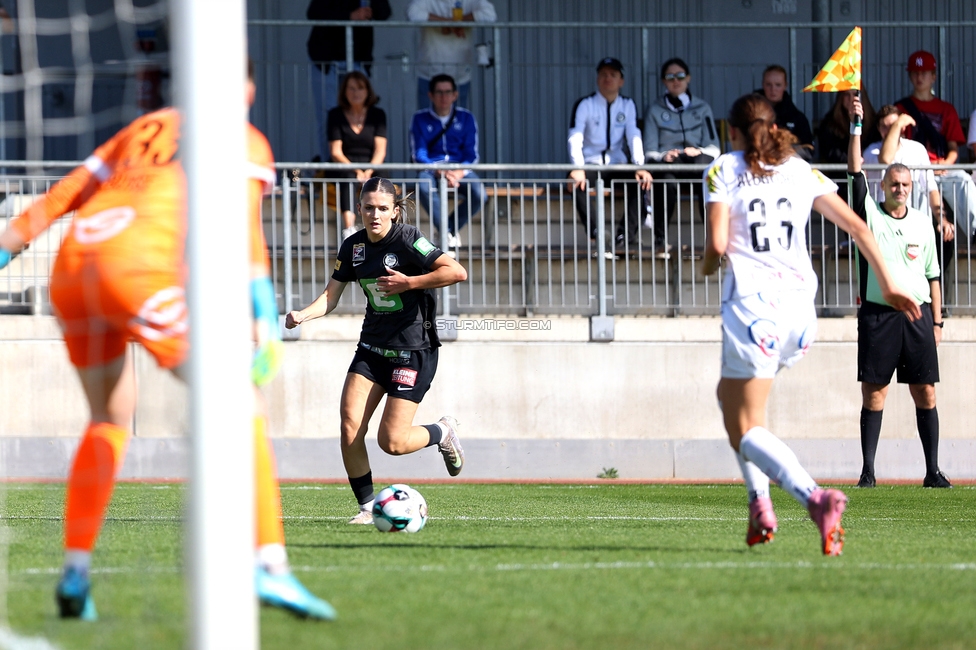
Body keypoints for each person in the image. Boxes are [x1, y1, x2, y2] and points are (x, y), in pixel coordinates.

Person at [0, 68, 335, 621]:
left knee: (108, 416)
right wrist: (265, 318)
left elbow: (65, 193)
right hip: (139, 272)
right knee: (241, 400)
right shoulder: (242, 137)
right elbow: (246, 236)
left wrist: (5, 250)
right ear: (247, 88)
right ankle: (272, 566)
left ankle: (75, 572)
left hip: (74, 270)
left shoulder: (147, 126)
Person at [701, 93, 921, 555]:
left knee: (744, 428)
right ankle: (759, 505)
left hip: (754, 311)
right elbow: (859, 228)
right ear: (773, 126)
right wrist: (890, 285)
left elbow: (718, 245)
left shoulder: (724, 168)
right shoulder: (800, 169)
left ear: (733, 132)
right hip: (801, 314)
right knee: (731, 399)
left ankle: (813, 498)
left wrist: (704, 266)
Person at [284, 177, 468, 525]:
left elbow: (456, 271)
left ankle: (442, 432)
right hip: (371, 349)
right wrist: (302, 315)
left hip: (413, 350)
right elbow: (331, 296)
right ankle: (367, 508)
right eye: (368, 207)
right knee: (350, 427)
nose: (375, 214)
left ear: (395, 211)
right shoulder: (352, 247)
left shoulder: (409, 239)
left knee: (393, 442)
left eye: (383, 208)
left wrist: (409, 282)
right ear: (359, 209)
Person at [847, 95, 952, 489]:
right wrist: (857, 125)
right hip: (878, 315)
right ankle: (868, 472)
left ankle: (933, 471)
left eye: (906, 184)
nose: (901, 189)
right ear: (884, 185)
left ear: (912, 187)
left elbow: (934, 275)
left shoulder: (923, 222)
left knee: (926, 392)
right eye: (895, 183)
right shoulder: (870, 214)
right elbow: (854, 169)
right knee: (875, 393)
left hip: (918, 317)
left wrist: (937, 322)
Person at [568, 57, 653, 250]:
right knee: (575, 181)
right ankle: (596, 234)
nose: (608, 78)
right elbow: (575, 137)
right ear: (597, 79)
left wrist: (639, 166)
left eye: (613, 75)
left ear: (621, 81)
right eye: (603, 74)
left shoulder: (627, 105)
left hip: (617, 163)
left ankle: (624, 237)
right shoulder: (585, 104)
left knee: (641, 181)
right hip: (591, 164)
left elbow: (634, 135)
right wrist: (577, 167)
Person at [643, 57, 719, 258]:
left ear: (688, 78)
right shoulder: (655, 110)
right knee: (665, 181)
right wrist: (664, 155)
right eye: (670, 77)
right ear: (663, 81)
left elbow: (714, 148)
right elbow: (649, 151)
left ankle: (713, 240)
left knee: (708, 177)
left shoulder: (702, 108)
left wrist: (699, 151)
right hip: (670, 163)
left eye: (680, 76)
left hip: (696, 162)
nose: (675, 81)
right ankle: (660, 241)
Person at [896, 50, 976, 242]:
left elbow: (953, 149)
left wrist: (944, 165)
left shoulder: (946, 109)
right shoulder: (901, 108)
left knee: (963, 179)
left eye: (924, 72)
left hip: (942, 169)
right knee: (914, 189)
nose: (919, 77)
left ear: (933, 76)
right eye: (915, 72)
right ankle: (916, 241)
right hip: (914, 169)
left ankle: (975, 232)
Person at [865, 105, 954, 272]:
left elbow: (931, 188)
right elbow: (886, 158)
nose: (889, 130)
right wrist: (898, 124)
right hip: (884, 227)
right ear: (878, 128)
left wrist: (941, 219)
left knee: (941, 250)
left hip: (912, 225)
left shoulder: (917, 149)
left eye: (894, 125)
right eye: (885, 126)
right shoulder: (872, 151)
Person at [306, 0, 391, 162]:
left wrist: (368, 11)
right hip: (326, 59)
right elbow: (313, 13)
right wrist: (349, 16)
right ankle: (330, 167)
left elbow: (384, 13)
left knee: (363, 112)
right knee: (328, 116)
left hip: (359, 57)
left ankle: (365, 166)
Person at [409, 73, 484, 248]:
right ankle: (448, 232)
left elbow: (472, 154)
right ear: (430, 95)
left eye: (448, 92)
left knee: (479, 193)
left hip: (460, 170)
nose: (444, 97)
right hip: (431, 169)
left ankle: (447, 231)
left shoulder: (466, 118)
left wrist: (459, 172)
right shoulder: (419, 118)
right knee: (423, 186)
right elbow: (418, 153)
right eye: (439, 92)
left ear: (455, 95)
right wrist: (438, 170)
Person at [327, 70, 388, 241]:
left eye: (360, 88)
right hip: (345, 164)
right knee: (348, 178)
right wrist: (356, 171)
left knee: (382, 179)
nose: (356, 93)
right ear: (344, 92)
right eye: (351, 88)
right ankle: (349, 230)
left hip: (372, 163)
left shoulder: (378, 115)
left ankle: (386, 226)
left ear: (368, 91)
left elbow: (380, 150)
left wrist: (368, 171)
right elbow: (336, 152)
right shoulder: (335, 115)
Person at [407, 0, 496, 111]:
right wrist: (449, 24)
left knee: (457, 120)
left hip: (459, 76)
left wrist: (458, 23)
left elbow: (490, 14)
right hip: (429, 74)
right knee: (427, 119)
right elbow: (412, 14)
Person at [816, 88, 880, 204]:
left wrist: (866, 160)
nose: (851, 99)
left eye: (855, 94)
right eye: (846, 95)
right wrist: (854, 161)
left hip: (871, 183)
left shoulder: (873, 122)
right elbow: (830, 153)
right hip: (842, 184)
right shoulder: (829, 123)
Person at [756, 64, 814, 160]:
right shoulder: (753, 115)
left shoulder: (797, 118)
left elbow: (808, 150)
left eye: (778, 85)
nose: (773, 89)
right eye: (768, 84)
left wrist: (783, 152)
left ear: (785, 85)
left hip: (788, 165)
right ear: (763, 85)